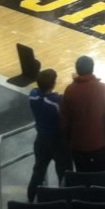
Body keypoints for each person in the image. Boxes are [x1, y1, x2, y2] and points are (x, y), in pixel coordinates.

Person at [60, 55, 105, 172]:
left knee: (83, 179)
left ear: (77, 70)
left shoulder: (70, 90)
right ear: (92, 68)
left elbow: (65, 119)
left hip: (78, 147)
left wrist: (68, 141)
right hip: (100, 145)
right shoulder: (102, 88)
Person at [26, 69, 68, 200]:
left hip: (41, 140)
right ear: (53, 84)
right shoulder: (56, 102)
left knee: (38, 171)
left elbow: (38, 91)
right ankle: (65, 200)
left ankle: (31, 198)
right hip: (57, 141)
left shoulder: (33, 95)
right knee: (64, 172)